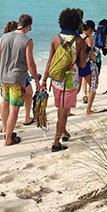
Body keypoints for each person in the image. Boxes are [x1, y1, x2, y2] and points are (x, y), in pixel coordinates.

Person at [0, 14, 41, 146]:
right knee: (14, 109)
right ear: (29, 26)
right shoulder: (27, 40)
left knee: (5, 103)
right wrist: (37, 81)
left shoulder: (4, 37)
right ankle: (8, 139)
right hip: (17, 79)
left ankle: (7, 130)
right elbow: (30, 64)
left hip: (3, 77)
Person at [43, 8, 87, 152]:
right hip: (69, 80)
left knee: (61, 109)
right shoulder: (80, 41)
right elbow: (82, 65)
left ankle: (63, 132)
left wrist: (44, 79)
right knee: (63, 114)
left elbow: (50, 61)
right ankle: (56, 143)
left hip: (55, 80)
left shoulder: (56, 38)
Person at [80, 20, 106, 115]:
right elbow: (91, 54)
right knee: (93, 86)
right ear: (90, 29)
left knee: (76, 89)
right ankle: (89, 109)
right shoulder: (89, 38)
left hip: (79, 65)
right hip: (89, 65)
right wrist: (96, 60)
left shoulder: (79, 36)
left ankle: (68, 110)